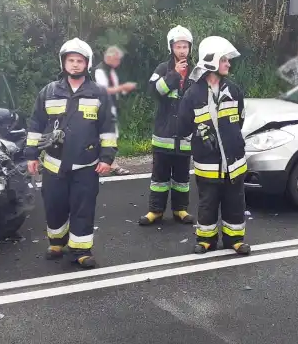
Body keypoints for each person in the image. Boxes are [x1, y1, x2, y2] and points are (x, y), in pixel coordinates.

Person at [25, 38, 117, 269]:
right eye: (71, 60)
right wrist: (31, 155)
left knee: (82, 208)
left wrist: (107, 158)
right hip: (53, 164)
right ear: (63, 63)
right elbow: (36, 124)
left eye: (79, 61)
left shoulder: (99, 93)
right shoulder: (48, 92)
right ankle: (57, 242)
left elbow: (108, 128)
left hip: (86, 165)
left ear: (87, 64)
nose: (75, 65)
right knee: (54, 205)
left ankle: (81, 250)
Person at [178, 36, 251, 256]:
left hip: (234, 162)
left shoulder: (234, 90)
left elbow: (239, 121)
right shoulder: (193, 94)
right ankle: (206, 240)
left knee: (235, 202)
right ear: (211, 61)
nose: (228, 64)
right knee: (207, 203)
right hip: (208, 163)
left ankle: (234, 239)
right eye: (224, 60)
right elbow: (183, 128)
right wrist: (200, 136)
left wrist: (230, 140)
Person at [139, 25, 196, 226]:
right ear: (171, 47)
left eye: (185, 47)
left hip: (185, 137)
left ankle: (180, 209)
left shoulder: (196, 71)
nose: (182, 51)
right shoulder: (162, 69)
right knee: (159, 178)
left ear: (190, 48)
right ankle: (155, 211)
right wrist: (173, 75)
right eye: (178, 47)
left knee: (182, 178)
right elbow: (153, 92)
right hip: (164, 135)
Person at [94, 45, 136, 176]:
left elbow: (114, 88)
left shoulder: (110, 71)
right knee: (108, 135)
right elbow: (103, 91)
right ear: (109, 57)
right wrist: (123, 87)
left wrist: (122, 91)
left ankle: (108, 163)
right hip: (100, 108)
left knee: (110, 135)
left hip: (110, 106)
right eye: (117, 59)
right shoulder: (100, 71)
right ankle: (111, 164)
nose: (118, 62)